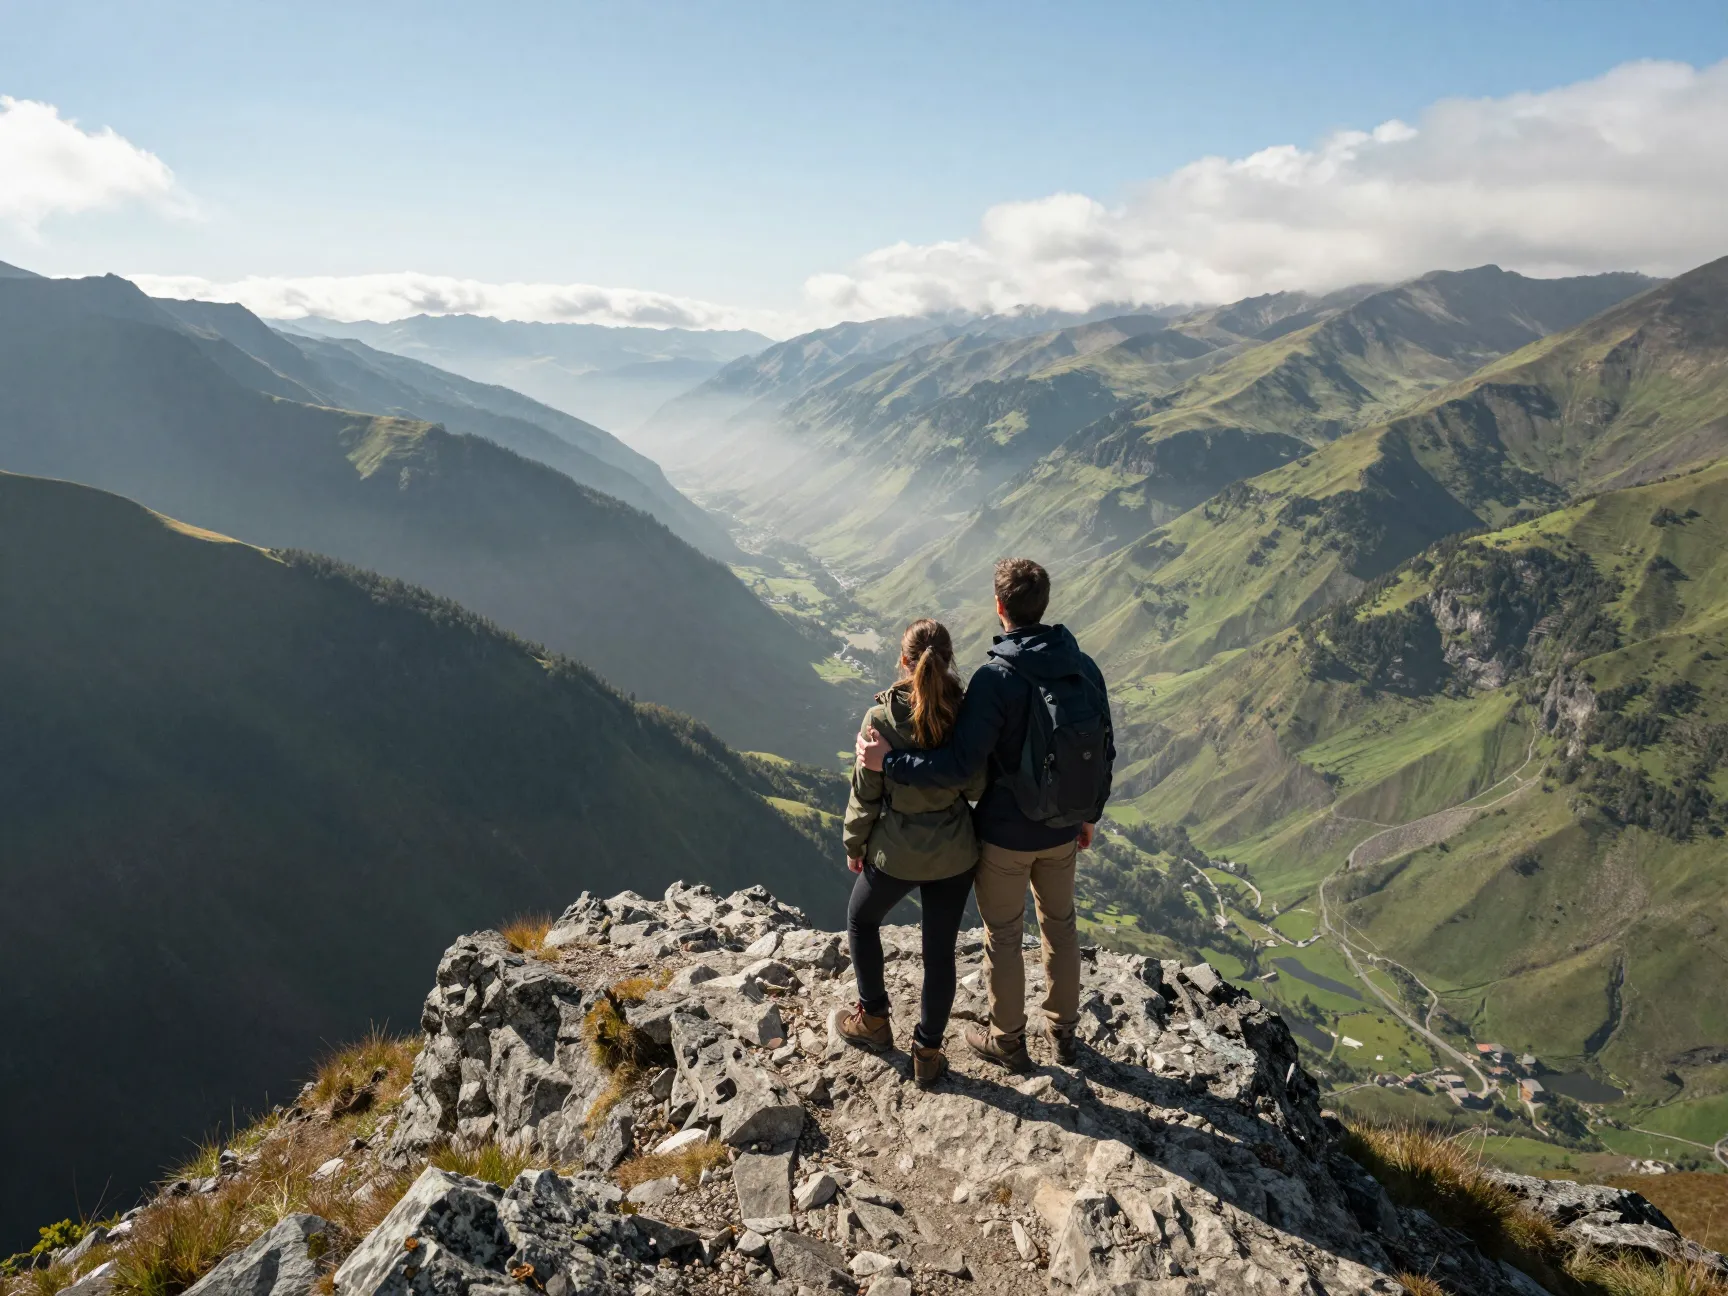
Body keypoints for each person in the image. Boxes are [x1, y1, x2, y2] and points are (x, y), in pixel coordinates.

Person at [857, 558, 1113, 1072]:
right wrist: (1088, 813)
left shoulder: (996, 678)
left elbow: (958, 767)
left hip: (1004, 835)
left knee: (1003, 935)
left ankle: (1008, 1041)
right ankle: (1063, 1032)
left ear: (999, 608)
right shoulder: (1081, 665)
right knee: (1060, 925)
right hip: (1064, 827)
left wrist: (892, 762)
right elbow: (1101, 746)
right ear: (1043, 603)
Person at [838, 618, 985, 1087]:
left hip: (895, 853)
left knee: (862, 920)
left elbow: (866, 792)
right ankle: (926, 1051)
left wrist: (854, 845)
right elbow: (979, 784)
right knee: (939, 951)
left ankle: (875, 1020)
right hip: (955, 853)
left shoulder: (879, 719)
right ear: (949, 659)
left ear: (903, 660)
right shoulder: (965, 713)